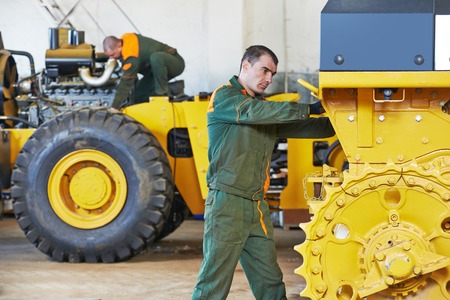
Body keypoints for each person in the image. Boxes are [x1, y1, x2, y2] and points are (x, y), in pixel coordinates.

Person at [191, 45, 335, 300]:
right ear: (245, 65)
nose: (268, 79)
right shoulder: (225, 98)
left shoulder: (264, 109)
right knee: (214, 281)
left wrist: (340, 114)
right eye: (264, 70)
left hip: (256, 205)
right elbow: (254, 112)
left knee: (269, 280)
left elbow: (310, 128)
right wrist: (308, 108)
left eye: (273, 74)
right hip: (227, 203)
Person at [103, 33, 185, 108]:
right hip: (155, 72)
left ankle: (164, 94)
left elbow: (126, 83)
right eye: (109, 56)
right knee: (137, 97)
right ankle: (173, 89)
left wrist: (114, 108)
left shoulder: (131, 55)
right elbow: (132, 77)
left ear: (119, 46)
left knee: (156, 58)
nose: (112, 58)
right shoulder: (125, 40)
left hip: (174, 63)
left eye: (112, 54)